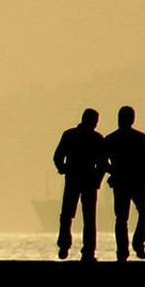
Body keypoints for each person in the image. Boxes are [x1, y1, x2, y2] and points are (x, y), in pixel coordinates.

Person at [101, 105, 145, 262]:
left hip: (121, 182)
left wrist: (113, 171)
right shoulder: (140, 138)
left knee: (121, 218)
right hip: (138, 182)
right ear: (132, 119)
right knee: (144, 212)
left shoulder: (111, 138)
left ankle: (122, 252)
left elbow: (101, 161)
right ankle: (138, 243)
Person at [52, 108, 106, 261]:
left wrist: (62, 168)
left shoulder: (70, 135)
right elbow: (102, 164)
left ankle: (65, 245)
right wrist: (97, 180)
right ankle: (87, 251)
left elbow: (57, 157)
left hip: (74, 178)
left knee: (68, 215)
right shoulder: (96, 138)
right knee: (88, 218)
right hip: (86, 179)